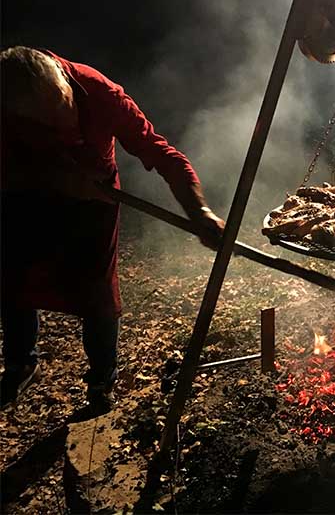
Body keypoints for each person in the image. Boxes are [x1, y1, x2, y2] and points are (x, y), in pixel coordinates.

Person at [0, 46, 225, 414]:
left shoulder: (100, 92)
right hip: (27, 195)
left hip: (96, 202)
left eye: (66, 109)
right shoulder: (6, 106)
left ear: (65, 82)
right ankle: (20, 364)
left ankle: (101, 381)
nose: (66, 125)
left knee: (98, 295)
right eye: (50, 121)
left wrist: (198, 211)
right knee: (13, 280)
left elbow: (158, 152)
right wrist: (55, 178)